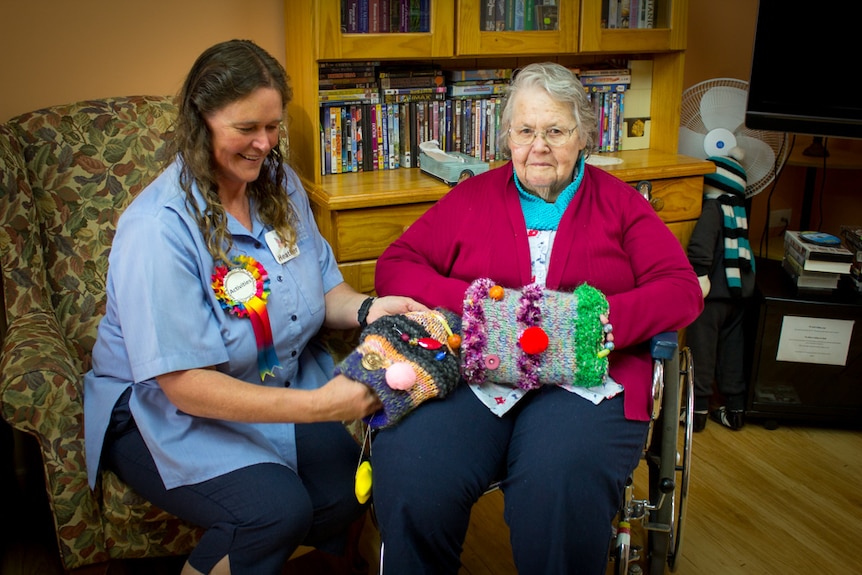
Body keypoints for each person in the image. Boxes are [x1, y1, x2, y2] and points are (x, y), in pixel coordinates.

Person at [83, 39, 425, 575]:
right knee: (273, 512)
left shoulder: (280, 186)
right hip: (163, 409)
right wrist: (320, 407)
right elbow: (184, 384)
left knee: (344, 495)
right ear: (202, 120)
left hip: (272, 378)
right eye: (247, 129)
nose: (264, 144)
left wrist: (369, 309)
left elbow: (323, 291)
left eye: (273, 127)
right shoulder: (158, 228)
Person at [371, 62, 704, 574]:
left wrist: (591, 323)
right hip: (476, 373)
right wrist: (479, 309)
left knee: (558, 479)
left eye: (555, 131)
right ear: (507, 136)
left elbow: (680, 289)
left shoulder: (622, 206)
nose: (539, 146)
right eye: (526, 131)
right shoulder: (471, 199)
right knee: (415, 470)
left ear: (584, 135)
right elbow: (396, 266)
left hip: (585, 382)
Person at [686, 147, 754, 431]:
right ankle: (735, 406)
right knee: (732, 349)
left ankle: (698, 408)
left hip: (712, 295)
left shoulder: (713, 209)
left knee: (702, 348)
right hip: (739, 295)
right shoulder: (741, 211)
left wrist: (700, 275)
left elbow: (699, 248)